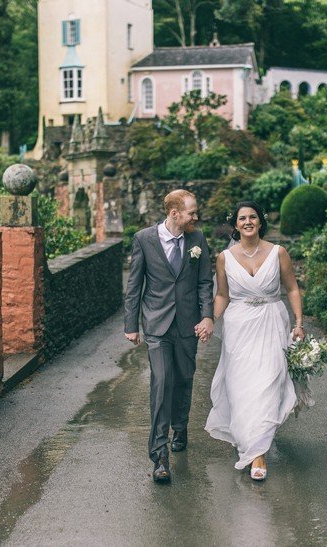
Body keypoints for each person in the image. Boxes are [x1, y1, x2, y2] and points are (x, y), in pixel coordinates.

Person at [204, 200, 304, 480]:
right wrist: (210, 319)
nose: (248, 222)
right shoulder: (225, 257)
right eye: (242, 218)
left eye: (253, 217)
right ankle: (250, 442)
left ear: (261, 221)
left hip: (272, 321)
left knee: (268, 384)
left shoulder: (278, 253)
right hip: (238, 327)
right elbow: (222, 295)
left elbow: (292, 289)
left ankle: (258, 454)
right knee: (241, 388)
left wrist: (298, 323)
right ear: (235, 225)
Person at [124, 189, 215, 483]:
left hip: (188, 323)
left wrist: (207, 316)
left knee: (185, 378)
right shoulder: (144, 239)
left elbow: (204, 282)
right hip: (157, 324)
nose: (195, 217)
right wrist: (131, 324)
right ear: (174, 214)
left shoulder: (197, 240)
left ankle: (182, 425)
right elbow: (134, 285)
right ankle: (159, 455)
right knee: (162, 383)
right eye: (191, 212)